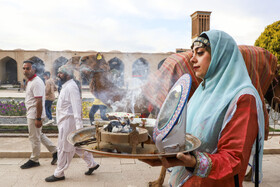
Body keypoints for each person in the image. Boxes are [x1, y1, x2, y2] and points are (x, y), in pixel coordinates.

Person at [141, 30, 264, 186]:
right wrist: (161, 155)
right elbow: (188, 140)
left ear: (221, 56)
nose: (192, 59)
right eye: (193, 53)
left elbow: (234, 159)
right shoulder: (203, 90)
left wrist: (195, 162)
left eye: (199, 53)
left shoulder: (243, 98)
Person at [45, 64, 99, 182]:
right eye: (58, 73)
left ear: (68, 74)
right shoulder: (65, 86)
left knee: (63, 148)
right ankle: (92, 164)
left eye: (61, 73)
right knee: (78, 146)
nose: (58, 75)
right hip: (64, 122)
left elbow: (77, 107)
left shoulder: (71, 87)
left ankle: (59, 173)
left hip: (69, 123)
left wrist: (79, 128)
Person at [21, 60, 57, 169]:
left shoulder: (36, 82)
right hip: (32, 113)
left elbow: (39, 101)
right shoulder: (31, 81)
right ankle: (55, 152)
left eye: (28, 68)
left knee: (34, 137)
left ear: (34, 69)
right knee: (39, 135)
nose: (25, 70)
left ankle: (34, 159)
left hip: (34, 114)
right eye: (24, 68)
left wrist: (38, 118)